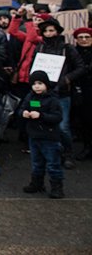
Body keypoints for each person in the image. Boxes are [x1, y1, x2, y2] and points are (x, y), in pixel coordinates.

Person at [31, 18, 84, 169]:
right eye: (46, 31)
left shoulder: (67, 48)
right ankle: (52, 153)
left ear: (57, 31)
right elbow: (34, 67)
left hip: (62, 93)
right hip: (41, 94)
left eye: (52, 30)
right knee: (42, 122)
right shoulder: (39, 47)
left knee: (63, 126)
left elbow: (80, 67)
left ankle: (67, 153)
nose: (49, 33)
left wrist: (67, 79)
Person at [19, 71, 65, 199]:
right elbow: (22, 108)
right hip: (34, 136)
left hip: (49, 137)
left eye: (40, 83)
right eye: (34, 84)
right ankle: (37, 183)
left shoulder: (53, 99)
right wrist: (24, 113)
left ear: (46, 84)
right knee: (36, 162)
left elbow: (57, 117)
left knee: (53, 163)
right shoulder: (30, 97)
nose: (36, 86)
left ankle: (57, 187)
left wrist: (41, 116)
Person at [73, 27, 92, 160]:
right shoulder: (73, 53)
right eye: (81, 37)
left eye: (87, 37)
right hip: (81, 90)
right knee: (85, 121)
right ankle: (88, 147)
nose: (84, 40)